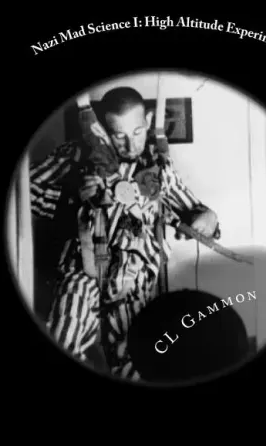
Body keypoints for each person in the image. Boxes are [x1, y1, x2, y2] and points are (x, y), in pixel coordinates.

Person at [29, 86, 219, 381]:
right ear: (104, 129)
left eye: (138, 132)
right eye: (119, 136)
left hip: (135, 284)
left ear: (149, 121)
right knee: (63, 339)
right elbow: (26, 190)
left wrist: (209, 218)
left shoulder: (159, 168)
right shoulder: (77, 154)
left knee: (136, 363)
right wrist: (72, 198)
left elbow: (196, 211)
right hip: (84, 272)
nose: (131, 145)